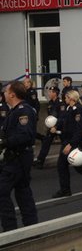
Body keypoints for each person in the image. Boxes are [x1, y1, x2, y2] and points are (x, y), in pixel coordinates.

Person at [0, 81, 38, 231]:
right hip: (16, 157)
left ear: (12, 94)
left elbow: (25, 135)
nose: (3, 93)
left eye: (5, 91)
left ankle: (11, 230)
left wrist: (4, 142)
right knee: (23, 192)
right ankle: (31, 229)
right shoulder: (14, 110)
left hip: (18, 157)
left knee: (2, 192)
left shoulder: (24, 111)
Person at [34, 86, 66, 169]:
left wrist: (56, 126)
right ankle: (40, 161)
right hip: (52, 127)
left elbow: (62, 117)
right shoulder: (50, 103)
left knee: (66, 143)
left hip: (60, 127)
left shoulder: (61, 103)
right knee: (46, 142)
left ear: (55, 93)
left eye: (50, 92)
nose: (49, 93)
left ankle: (68, 159)